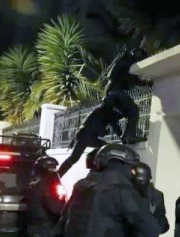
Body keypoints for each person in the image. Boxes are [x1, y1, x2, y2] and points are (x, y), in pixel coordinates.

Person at [57, 48, 151, 177]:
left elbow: (113, 122)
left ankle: (94, 171)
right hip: (91, 127)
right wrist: (144, 82)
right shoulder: (126, 61)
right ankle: (58, 175)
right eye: (141, 57)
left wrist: (121, 137)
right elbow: (128, 77)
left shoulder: (108, 113)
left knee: (104, 151)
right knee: (133, 109)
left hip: (94, 128)